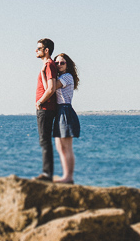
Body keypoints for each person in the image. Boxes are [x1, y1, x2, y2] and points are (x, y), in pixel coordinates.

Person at [51, 53, 81, 183]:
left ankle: (69, 177)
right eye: (56, 63)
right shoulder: (60, 77)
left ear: (67, 65)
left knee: (67, 146)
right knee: (59, 147)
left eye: (62, 63)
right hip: (59, 111)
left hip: (65, 110)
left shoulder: (67, 77)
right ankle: (66, 176)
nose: (59, 65)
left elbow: (51, 88)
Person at [34, 38, 59, 180]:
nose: (36, 50)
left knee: (44, 140)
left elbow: (51, 88)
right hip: (46, 107)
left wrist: (40, 102)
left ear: (46, 50)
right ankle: (47, 173)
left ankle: (47, 174)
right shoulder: (48, 65)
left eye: (39, 48)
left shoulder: (49, 65)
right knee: (45, 140)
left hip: (45, 108)